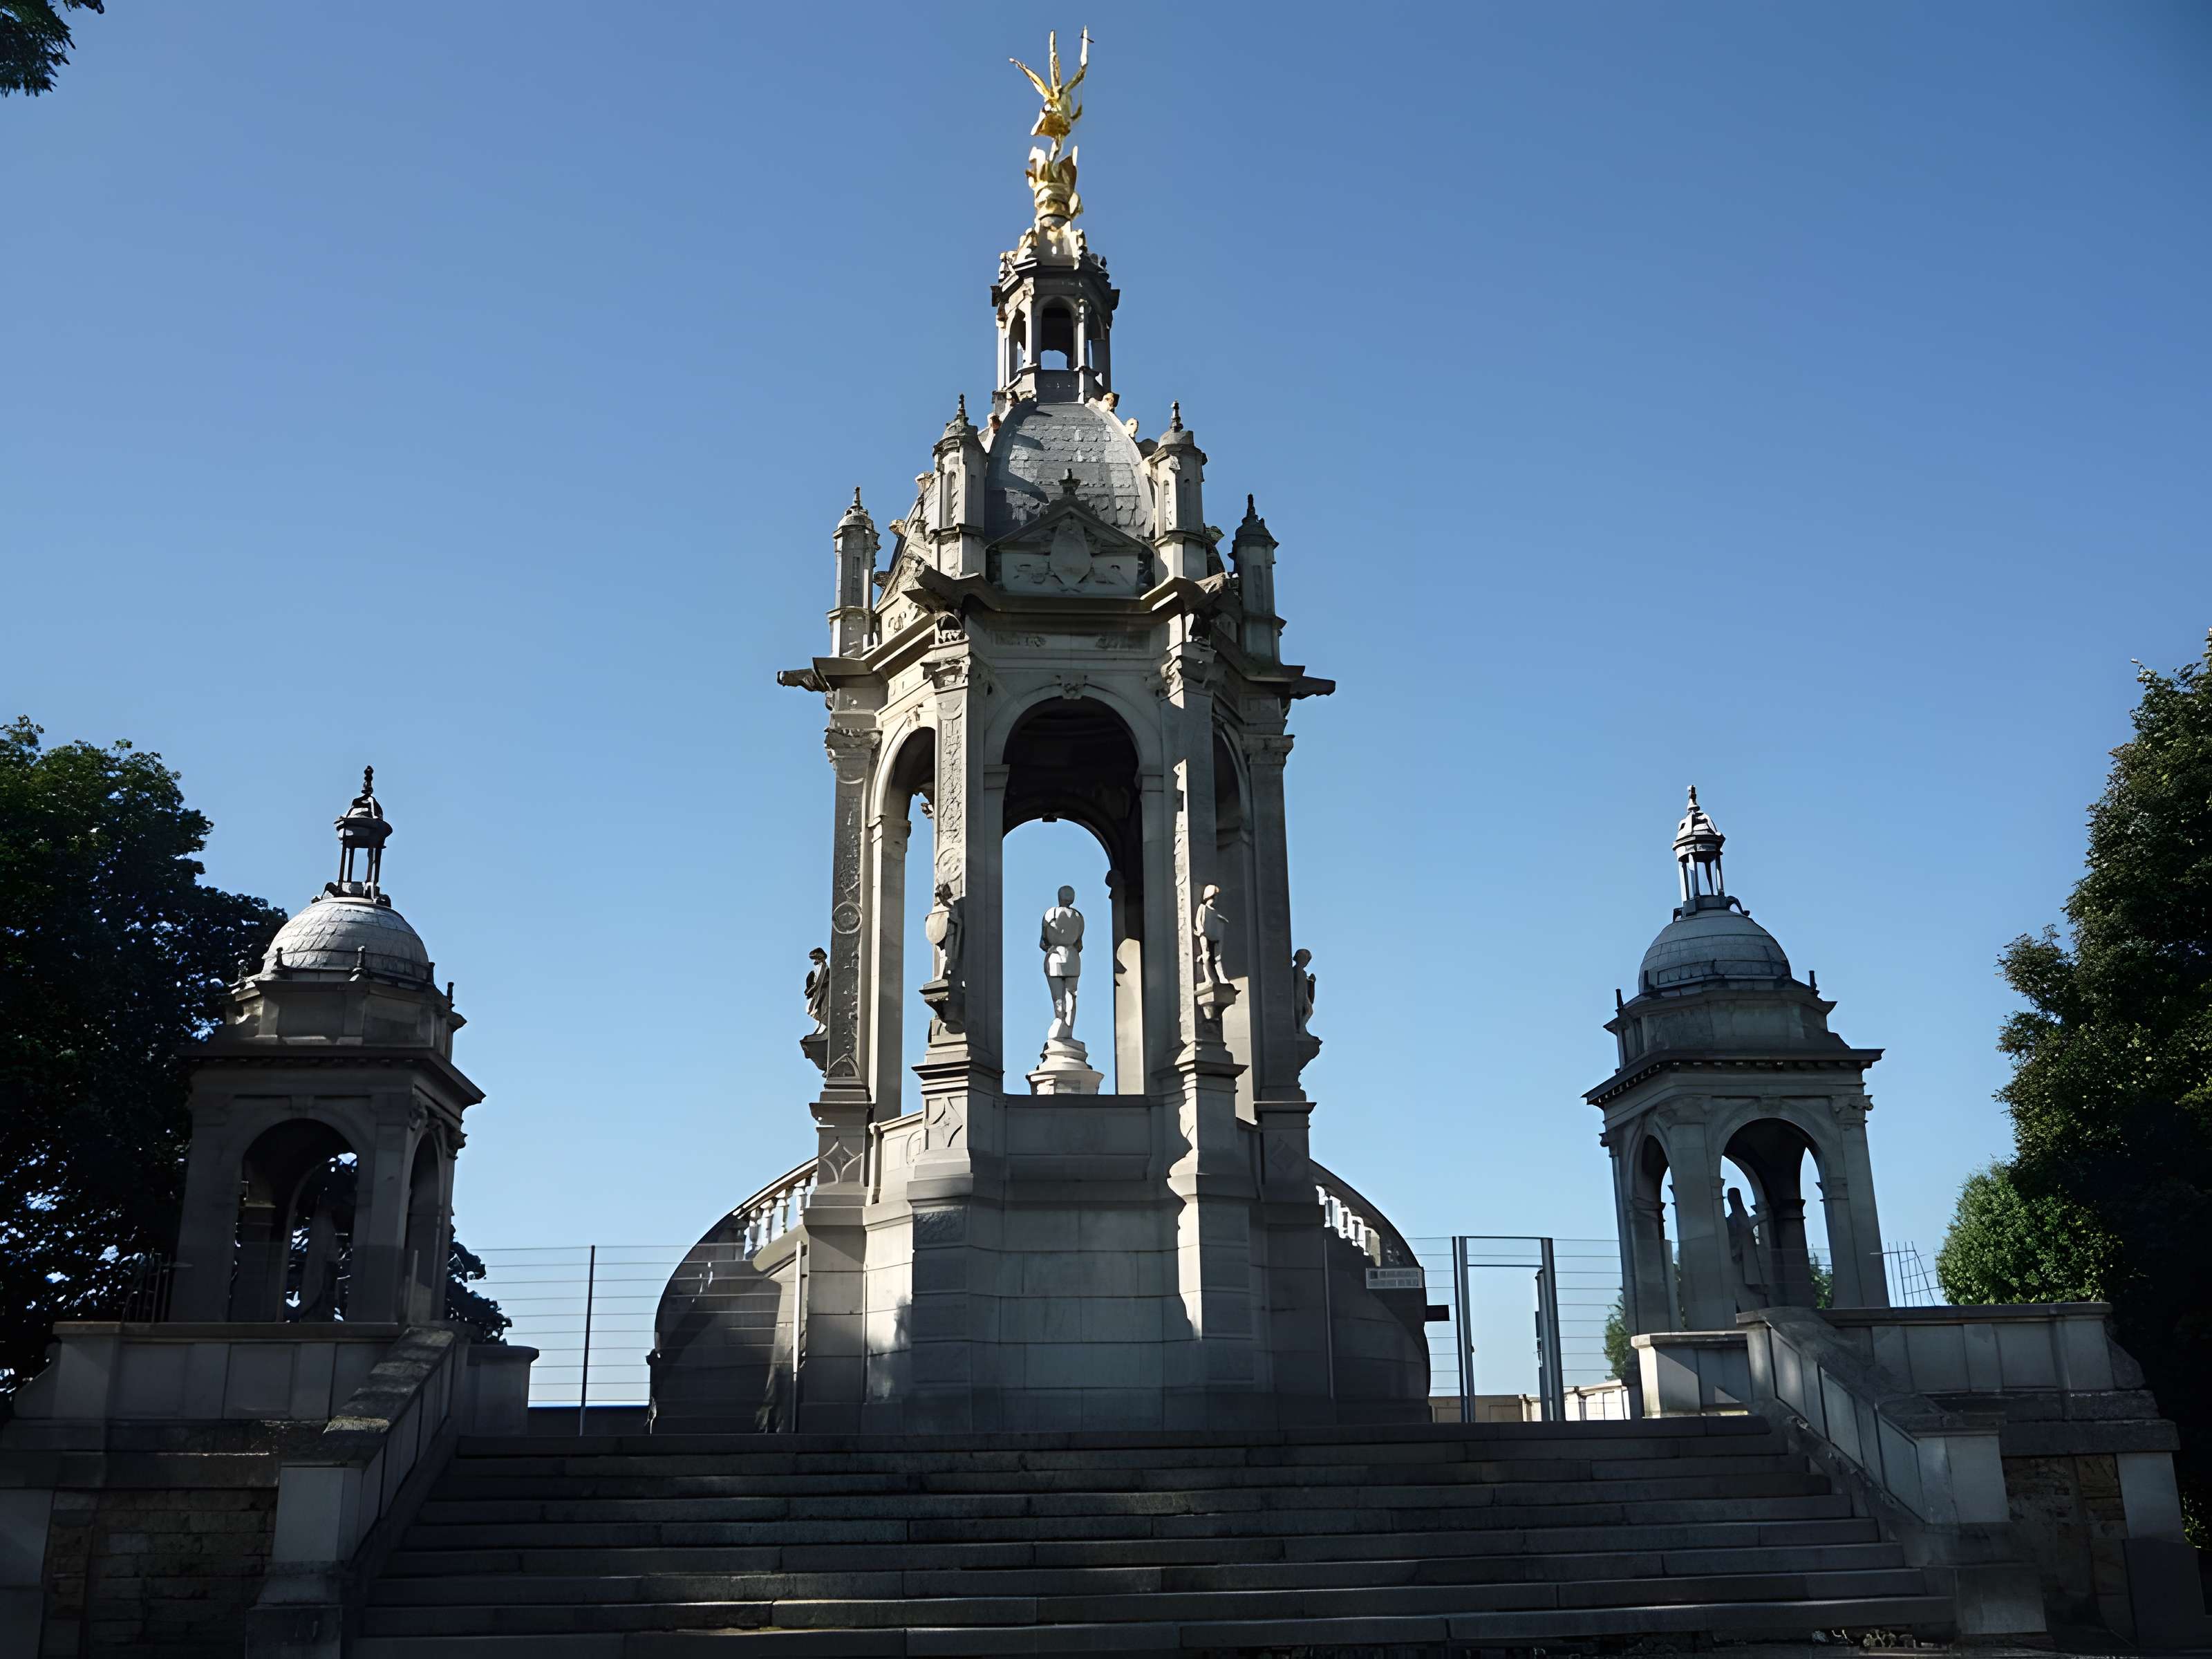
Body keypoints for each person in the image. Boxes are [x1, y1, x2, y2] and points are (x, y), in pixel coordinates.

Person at [1040, 885, 1084, 1038]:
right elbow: (1080, 944)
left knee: (1058, 997)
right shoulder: (1079, 917)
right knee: (1071, 995)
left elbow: (1043, 942)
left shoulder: (1050, 914)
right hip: (1072, 958)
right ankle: (1068, 1028)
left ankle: (1059, 1021)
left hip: (1055, 957)